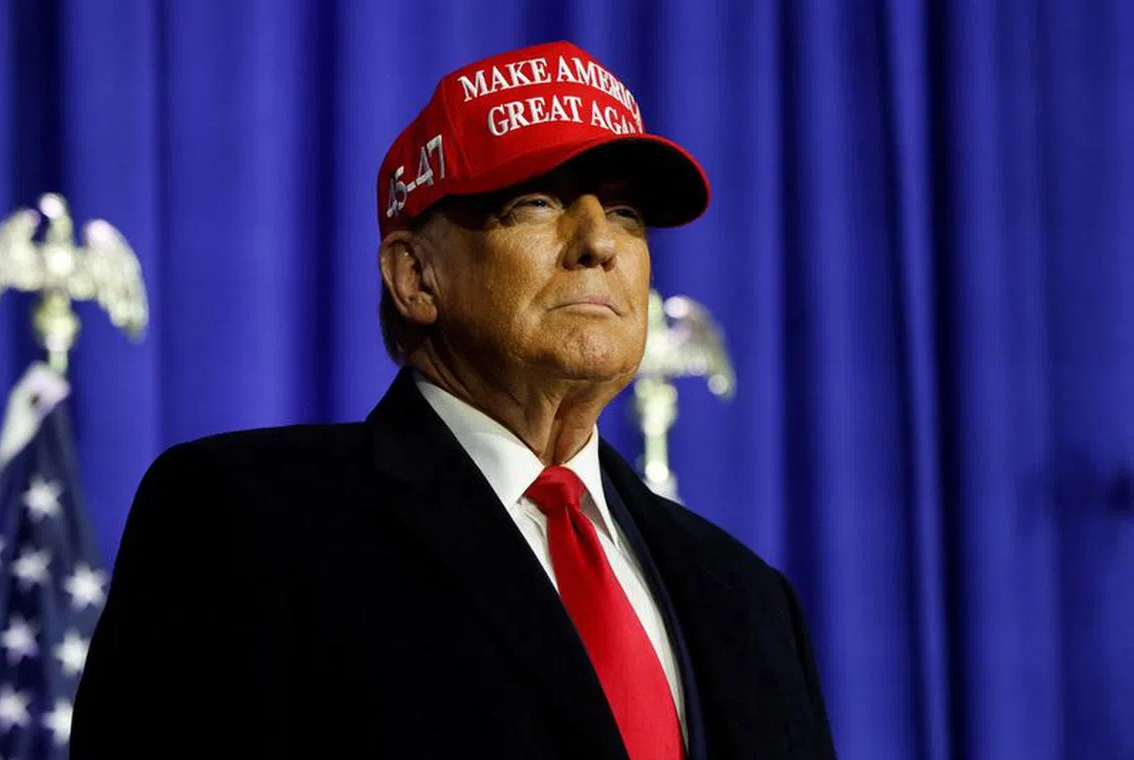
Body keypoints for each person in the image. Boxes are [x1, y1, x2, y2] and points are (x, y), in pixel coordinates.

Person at [71, 41, 837, 759]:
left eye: (627, 214)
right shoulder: (247, 519)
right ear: (416, 277)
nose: (599, 243)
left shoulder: (749, 600)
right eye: (536, 202)